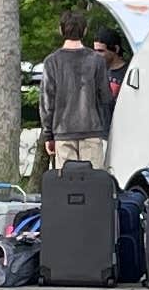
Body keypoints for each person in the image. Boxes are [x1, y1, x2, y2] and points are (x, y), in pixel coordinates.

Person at [40, 15, 115, 177]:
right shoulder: (97, 60)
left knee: (68, 186)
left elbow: (47, 102)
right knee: (93, 185)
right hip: (92, 130)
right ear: (85, 31)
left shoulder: (51, 62)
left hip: (63, 132)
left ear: (61, 31)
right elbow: (106, 98)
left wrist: (48, 135)